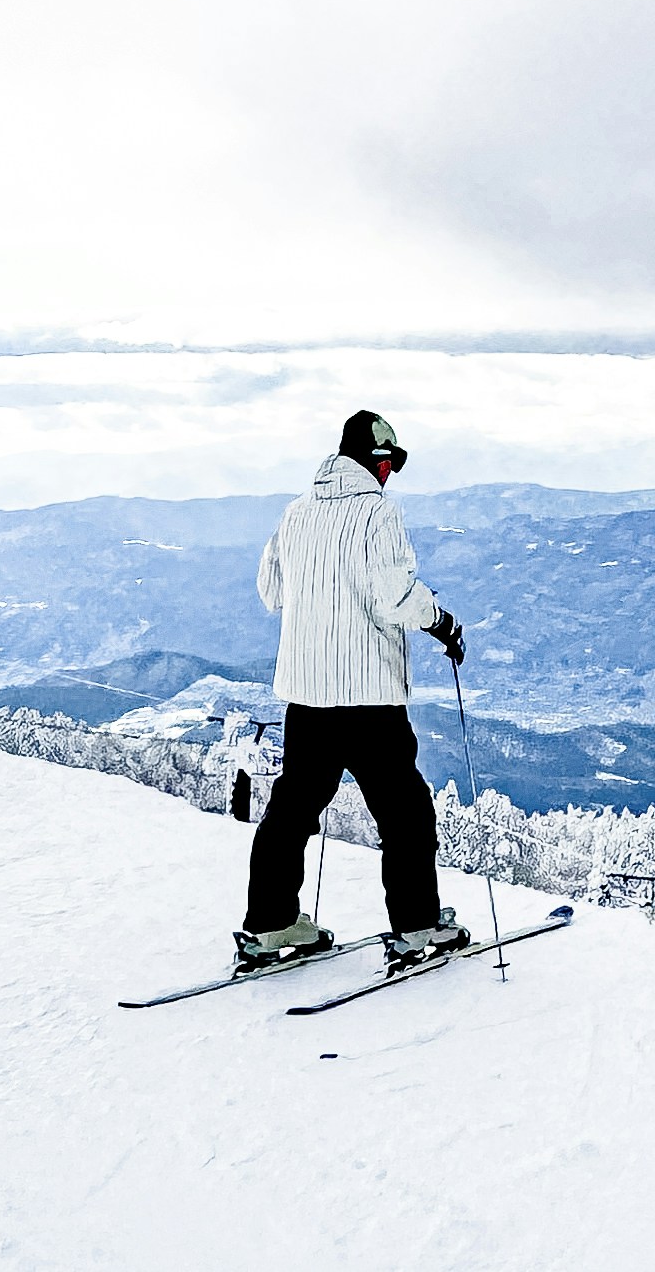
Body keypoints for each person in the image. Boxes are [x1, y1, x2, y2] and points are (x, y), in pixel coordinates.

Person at [237, 409, 471, 971]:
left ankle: (270, 925)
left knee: (291, 811)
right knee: (404, 814)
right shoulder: (378, 513)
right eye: (389, 463)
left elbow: (271, 590)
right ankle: (417, 928)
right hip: (368, 696)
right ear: (376, 461)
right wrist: (440, 620)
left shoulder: (295, 513)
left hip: (307, 694)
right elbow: (394, 595)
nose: (391, 475)